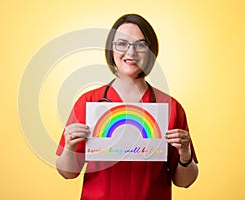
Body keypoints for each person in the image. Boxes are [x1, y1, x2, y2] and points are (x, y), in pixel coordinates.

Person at [56, 13, 198, 200]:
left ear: (151, 51)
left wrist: (185, 153)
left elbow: (184, 181)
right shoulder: (89, 102)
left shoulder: (170, 107)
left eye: (140, 45)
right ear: (111, 49)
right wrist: (70, 147)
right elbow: (67, 173)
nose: (130, 53)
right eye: (122, 44)